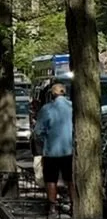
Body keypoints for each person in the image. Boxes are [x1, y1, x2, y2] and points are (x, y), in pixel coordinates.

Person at [34, 81, 73, 211]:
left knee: (51, 179)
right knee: (70, 179)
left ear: (52, 94)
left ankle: (52, 207)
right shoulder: (73, 107)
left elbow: (38, 132)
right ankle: (74, 205)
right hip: (70, 150)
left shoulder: (47, 109)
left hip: (51, 151)